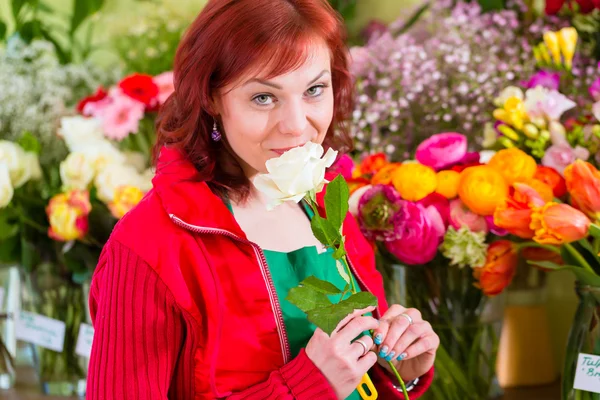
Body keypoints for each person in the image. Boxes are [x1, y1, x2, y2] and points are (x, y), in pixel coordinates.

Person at [86, 0, 439, 398]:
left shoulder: (328, 206)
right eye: (263, 98)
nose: (296, 125)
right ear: (212, 98)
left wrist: (397, 370)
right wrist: (305, 387)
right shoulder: (148, 245)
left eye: (314, 90)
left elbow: (355, 377)